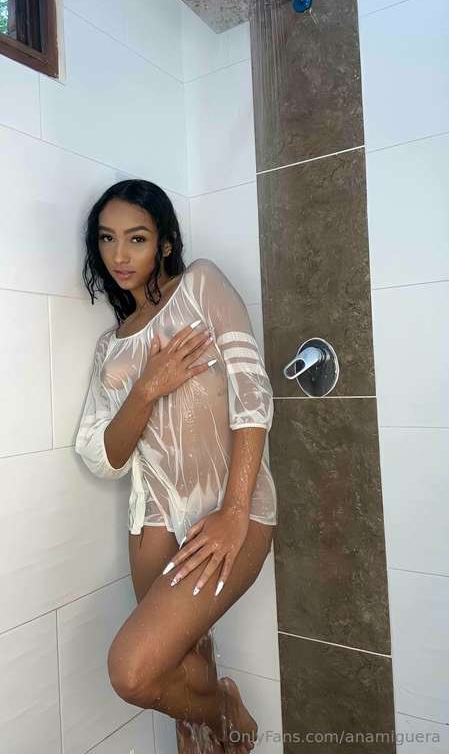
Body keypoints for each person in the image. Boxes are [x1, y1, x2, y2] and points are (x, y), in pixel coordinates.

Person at [74, 179, 278, 753]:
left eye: (136, 238)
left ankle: (227, 716)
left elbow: (253, 394)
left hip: (233, 507)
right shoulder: (111, 347)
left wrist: (235, 511)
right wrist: (147, 388)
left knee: (133, 672)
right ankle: (208, 728)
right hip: (155, 523)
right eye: (107, 239)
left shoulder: (200, 285)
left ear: (164, 242)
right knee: (184, 666)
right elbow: (106, 457)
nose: (119, 255)